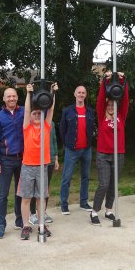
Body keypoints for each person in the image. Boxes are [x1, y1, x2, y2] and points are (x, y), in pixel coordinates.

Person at [18, 82, 58, 240]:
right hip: (28, 166)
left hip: (42, 166)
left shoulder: (46, 126)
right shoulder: (27, 127)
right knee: (26, 197)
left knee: (41, 197)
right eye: (34, 113)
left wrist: (53, 93)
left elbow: (51, 109)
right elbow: (27, 109)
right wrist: (28, 93)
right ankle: (26, 225)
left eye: (39, 114)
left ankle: (42, 223)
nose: (36, 115)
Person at [89, 71, 129, 226]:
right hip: (103, 155)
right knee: (104, 184)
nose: (111, 106)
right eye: (109, 104)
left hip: (118, 154)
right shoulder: (101, 116)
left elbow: (125, 99)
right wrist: (104, 82)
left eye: (114, 104)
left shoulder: (121, 117)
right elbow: (100, 99)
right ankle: (94, 211)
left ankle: (108, 210)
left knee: (114, 184)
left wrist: (122, 79)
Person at [0, 87, 25, 239]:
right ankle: (0, 224)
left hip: (22, 159)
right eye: (9, 96)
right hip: (5, 160)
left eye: (14, 96)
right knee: (2, 195)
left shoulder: (25, 112)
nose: (12, 99)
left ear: (17, 97)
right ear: (4, 99)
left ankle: (19, 220)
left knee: (20, 192)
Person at [59, 85, 96, 215]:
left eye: (83, 93)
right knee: (66, 177)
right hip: (72, 150)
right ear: (75, 94)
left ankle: (83, 202)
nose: (81, 94)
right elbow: (62, 130)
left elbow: (92, 130)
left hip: (86, 149)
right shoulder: (67, 111)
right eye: (79, 92)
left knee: (85, 177)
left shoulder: (90, 111)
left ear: (85, 95)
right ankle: (64, 204)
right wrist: (67, 144)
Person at [29, 123, 59, 225]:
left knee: (46, 187)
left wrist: (55, 158)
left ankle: (43, 212)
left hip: (49, 159)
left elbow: (54, 140)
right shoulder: (33, 122)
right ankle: (32, 213)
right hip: (36, 160)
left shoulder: (51, 123)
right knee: (35, 188)